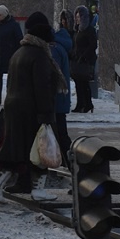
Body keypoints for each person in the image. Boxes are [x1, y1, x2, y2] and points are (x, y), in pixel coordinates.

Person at [0, 12, 66, 203]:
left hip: (14, 108)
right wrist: (47, 115)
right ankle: (38, 191)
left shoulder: (19, 53)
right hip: (32, 111)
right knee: (40, 151)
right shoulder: (40, 56)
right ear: (45, 39)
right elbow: (42, 87)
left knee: (14, 151)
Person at [51, 15, 73, 166]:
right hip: (61, 99)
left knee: (59, 134)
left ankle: (71, 164)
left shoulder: (54, 49)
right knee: (61, 134)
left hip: (55, 99)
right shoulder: (62, 47)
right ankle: (70, 163)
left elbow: (51, 76)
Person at [71, 5, 98, 112]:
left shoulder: (89, 30)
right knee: (79, 83)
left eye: (79, 17)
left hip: (86, 60)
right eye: (76, 17)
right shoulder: (77, 31)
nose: (77, 20)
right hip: (78, 60)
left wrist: (84, 56)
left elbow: (93, 45)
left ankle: (87, 103)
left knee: (84, 83)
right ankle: (81, 103)